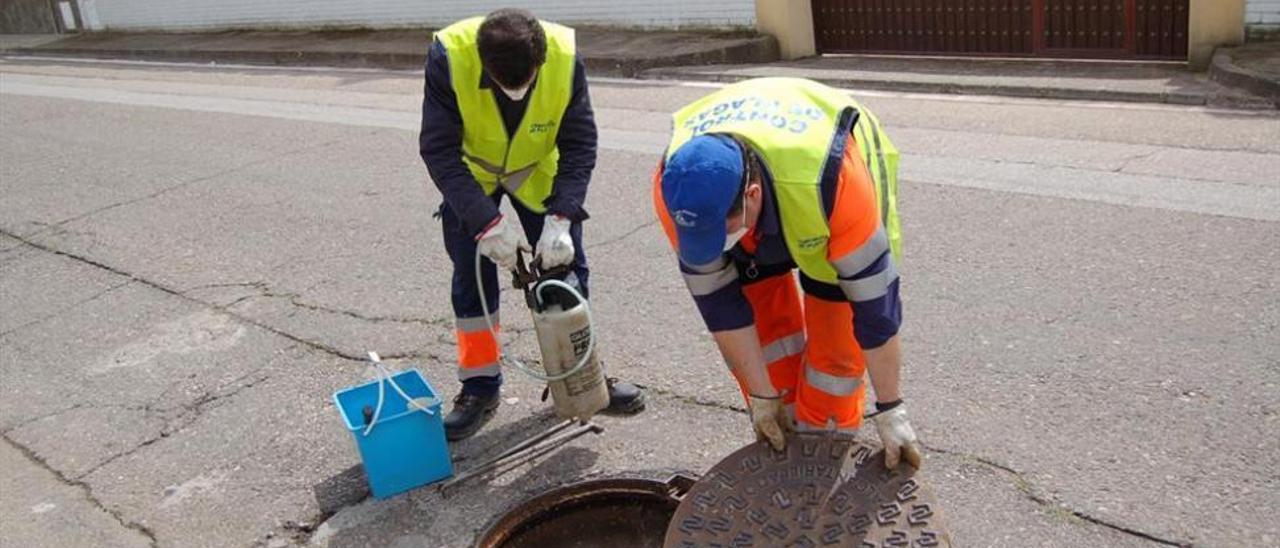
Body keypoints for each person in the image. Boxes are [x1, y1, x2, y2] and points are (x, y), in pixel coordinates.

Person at [652, 77, 922, 469]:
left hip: (825, 184)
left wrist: (891, 407)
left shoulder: (834, 182)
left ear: (752, 196)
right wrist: (763, 398)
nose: (717, 243)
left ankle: (826, 453)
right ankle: (788, 446)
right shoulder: (677, 191)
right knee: (770, 351)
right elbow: (720, 307)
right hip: (763, 182)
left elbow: (875, 312)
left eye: (721, 231)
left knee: (836, 353)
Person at [419, 9, 644, 441]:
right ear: (484, 63)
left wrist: (562, 217)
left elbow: (579, 142)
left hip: (538, 170)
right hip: (473, 179)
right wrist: (485, 223)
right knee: (473, 282)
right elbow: (439, 149)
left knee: (566, 278)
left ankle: (582, 379)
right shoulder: (449, 56)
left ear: (540, 61)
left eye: (525, 83)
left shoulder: (564, 56)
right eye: (506, 84)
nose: (517, 93)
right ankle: (480, 388)